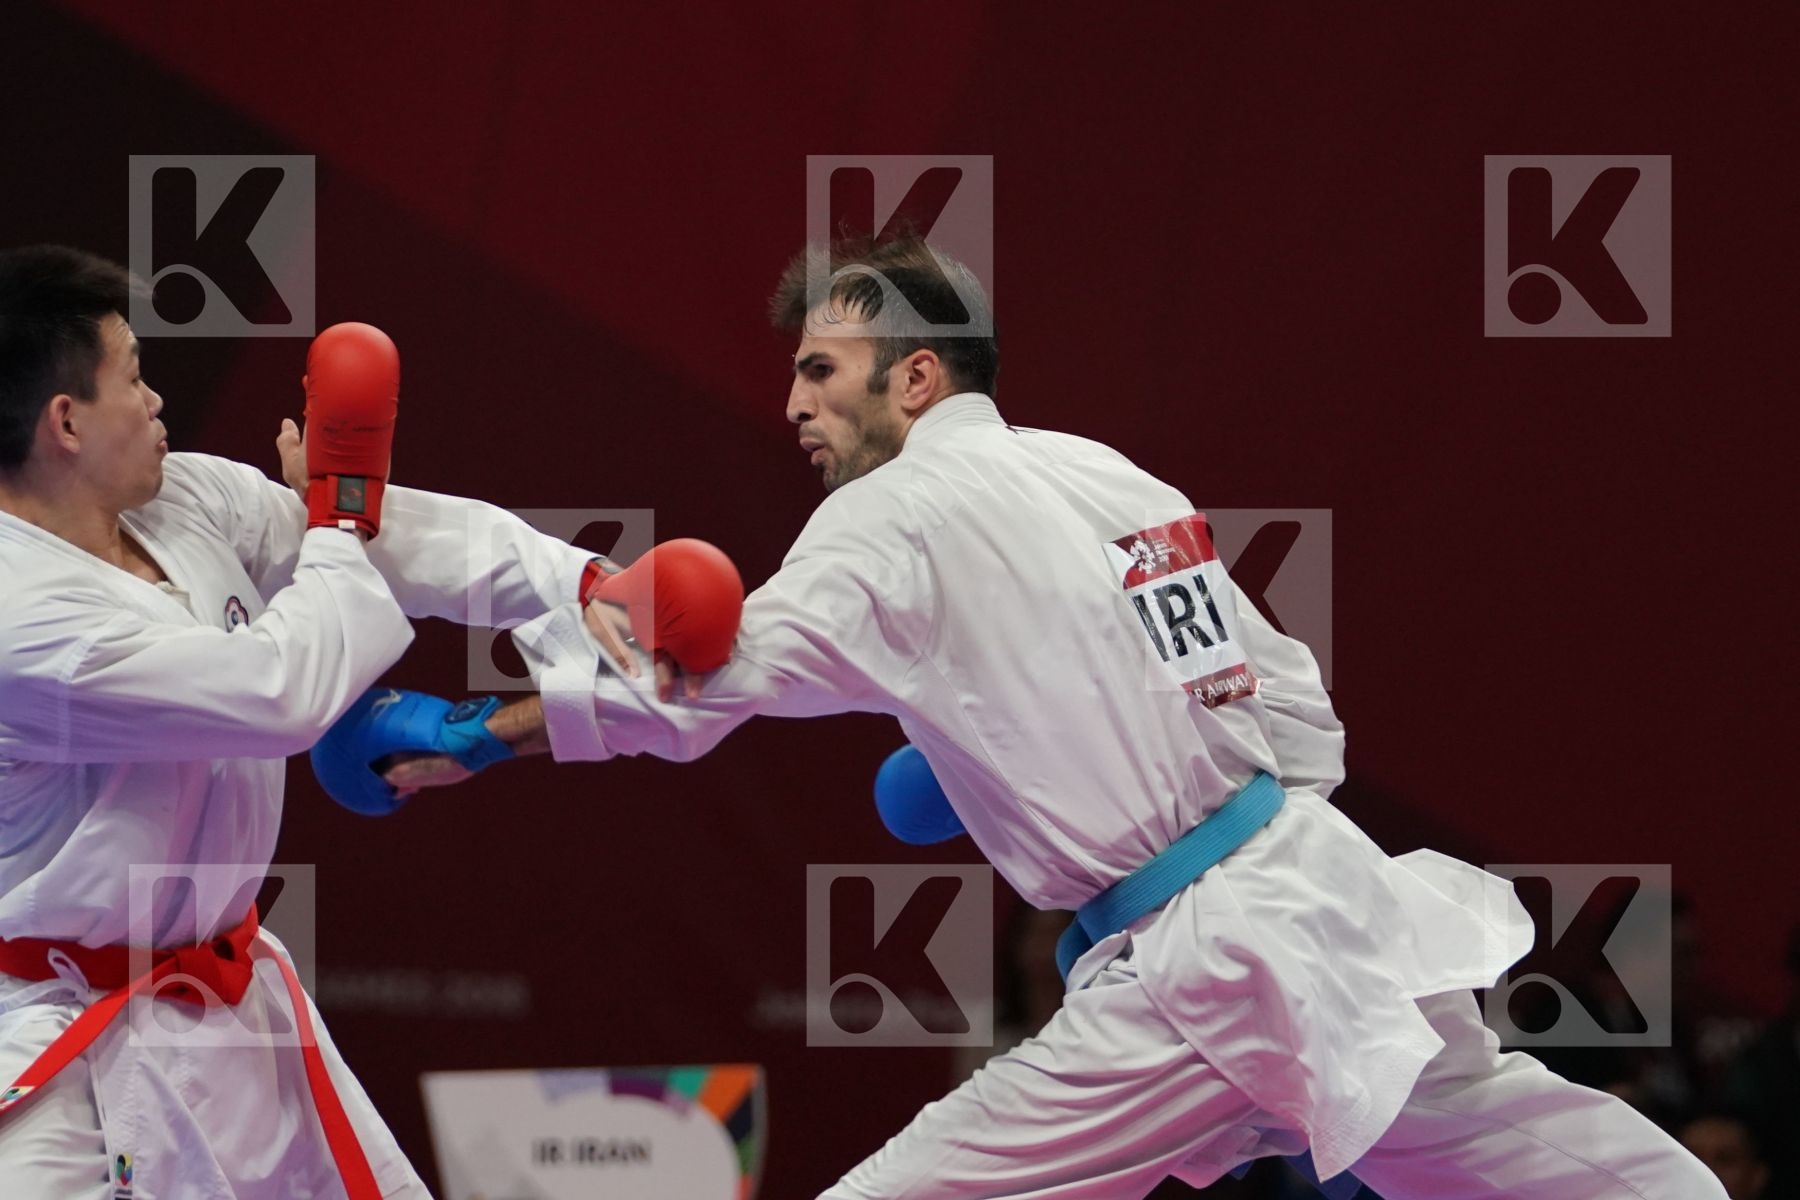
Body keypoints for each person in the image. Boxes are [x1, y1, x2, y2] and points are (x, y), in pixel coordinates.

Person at [378, 236, 1726, 1198]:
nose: (793, 402)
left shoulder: (892, 515)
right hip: (1322, 902)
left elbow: (696, 695)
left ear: (915, 378)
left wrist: (470, 736)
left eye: (823, 369)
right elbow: (1291, 706)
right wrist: (1047, 744)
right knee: (1550, 1160)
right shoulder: (1106, 475)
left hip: (1195, 966)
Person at [0, 245, 600, 1197]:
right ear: (65, 421)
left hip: (231, 1007)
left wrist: (590, 585)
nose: (157, 401)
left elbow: (386, 543)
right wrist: (337, 510)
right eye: (135, 377)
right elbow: (278, 692)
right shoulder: (24, 617)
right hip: (64, 1044)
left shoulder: (180, 499)